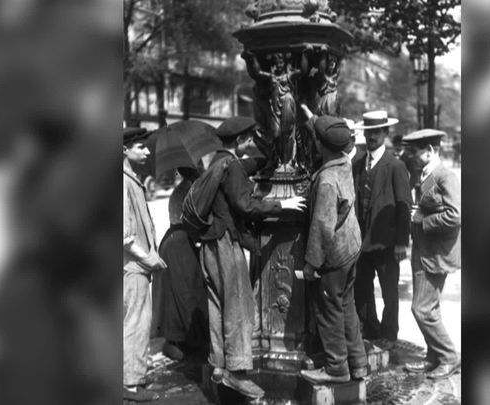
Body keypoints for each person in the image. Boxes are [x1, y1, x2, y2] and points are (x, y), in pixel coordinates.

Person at [200, 116, 306, 399]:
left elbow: (246, 165)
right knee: (238, 307)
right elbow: (245, 205)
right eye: (249, 138)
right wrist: (281, 203)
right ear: (241, 140)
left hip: (208, 244)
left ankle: (220, 366)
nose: (251, 143)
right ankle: (237, 374)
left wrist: (262, 160)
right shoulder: (231, 167)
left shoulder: (218, 162)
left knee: (217, 306)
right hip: (226, 242)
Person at [296, 112, 368, 384]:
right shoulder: (344, 162)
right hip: (351, 247)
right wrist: (313, 117)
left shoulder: (326, 180)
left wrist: (312, 264)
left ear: (319, 145)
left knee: (328, 310)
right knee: (346, 305)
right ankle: (358, 363)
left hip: (334, 255)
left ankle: (337, 368)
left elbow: (322, 226)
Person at [401, 129, 461, 379]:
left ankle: (449, 357)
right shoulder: (425, 174)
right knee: (430, 308)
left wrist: (422, 219)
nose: (410, 156)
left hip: (436, 254)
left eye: (414, 152)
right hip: (423, 251)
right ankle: (433, 356)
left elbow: (455, 215)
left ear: (430, 151)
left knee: (422, 309)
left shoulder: (445, 176)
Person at [352, 111, 413, 343]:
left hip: (387, 242)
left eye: (376, 132)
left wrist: (401, 242)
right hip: (362, 242)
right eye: (368, 132)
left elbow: (404, 206)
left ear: (386, 133)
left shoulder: (395, 166)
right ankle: (371, 330)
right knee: (363, 289)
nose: (371, 137)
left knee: (389, 292)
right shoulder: (358, 165)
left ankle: (389, 336)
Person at [123, 127, 168, 402]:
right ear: (124, 150)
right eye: (141, 146)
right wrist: (147, 257)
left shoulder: (132, 180)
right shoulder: (124, 182)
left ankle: (130, 378)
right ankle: (129, 385)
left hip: (133, 266)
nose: (147, 151)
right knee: (136, 323)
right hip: (134, 267)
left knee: (134, 321)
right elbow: (125, 235)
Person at [151, 166, 208, 360]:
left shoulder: (182, 189)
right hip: (180, 241)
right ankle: (186, 341)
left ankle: (178, 340)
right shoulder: (189, 190)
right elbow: (192, 218)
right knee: (187, 292)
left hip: (174, 239)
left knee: (175, 293)